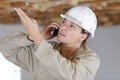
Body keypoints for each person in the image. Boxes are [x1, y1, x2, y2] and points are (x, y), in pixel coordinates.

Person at [0, 6, 100, 80]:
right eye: (64, 22)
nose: (63, 27)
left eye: (72, 26)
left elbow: (70, 76)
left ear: (83, 36)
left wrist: (38, 38)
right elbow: (4, 47)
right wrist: (33, 37)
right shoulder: (43, 48)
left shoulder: (91, 59)